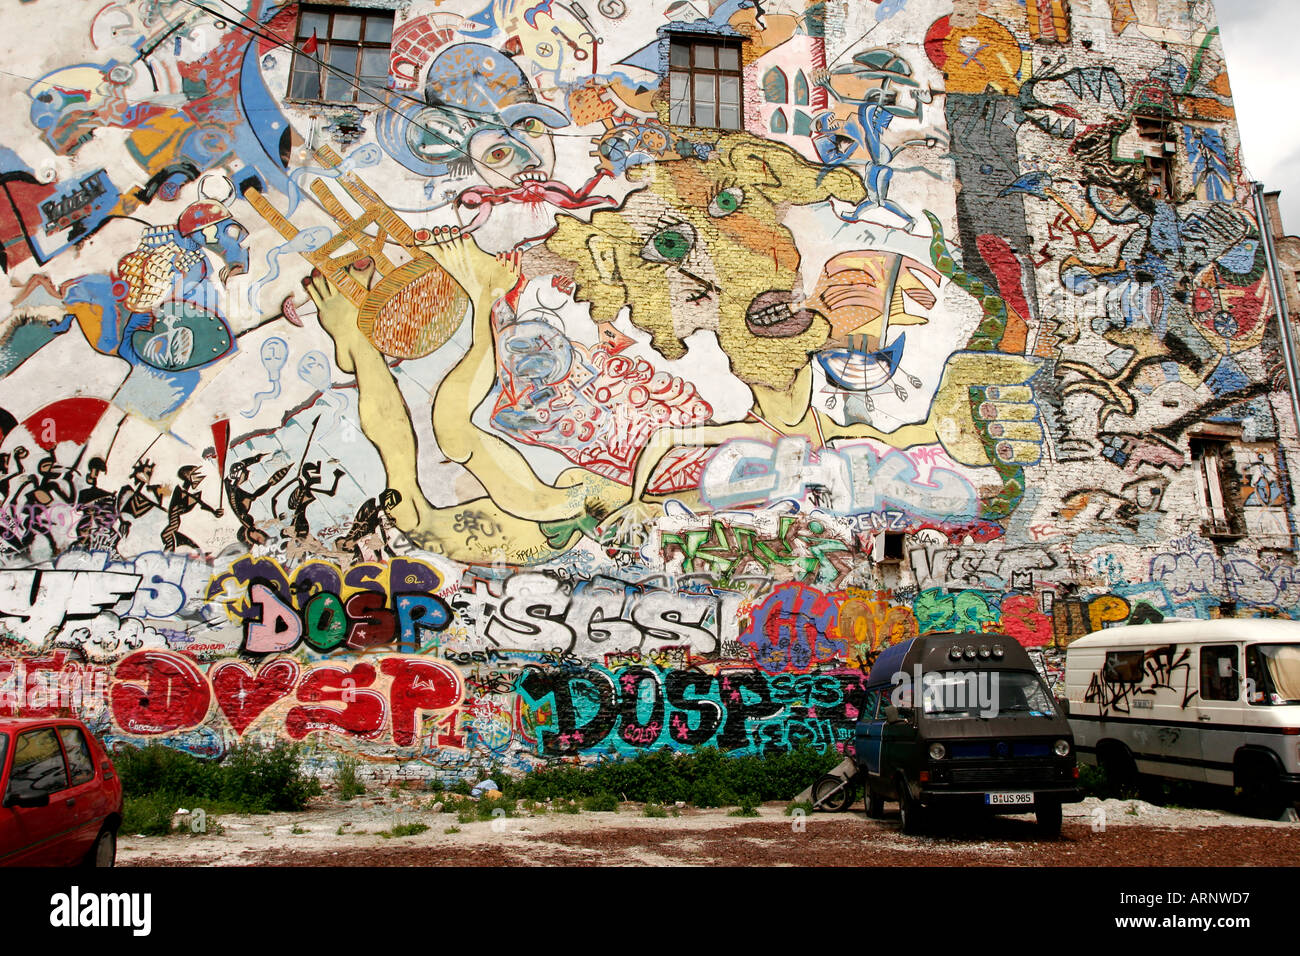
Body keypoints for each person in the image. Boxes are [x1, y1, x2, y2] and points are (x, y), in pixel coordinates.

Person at [160, 465, 222, 551]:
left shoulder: (193, 493)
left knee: (168, 536)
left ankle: (193, 549)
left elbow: (202, 503)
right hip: (175, 520)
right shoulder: (181, 490)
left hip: (179, 521)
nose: (198, 474)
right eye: (194, 472)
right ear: (186, 475)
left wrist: (214, 512)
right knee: (167, 535)